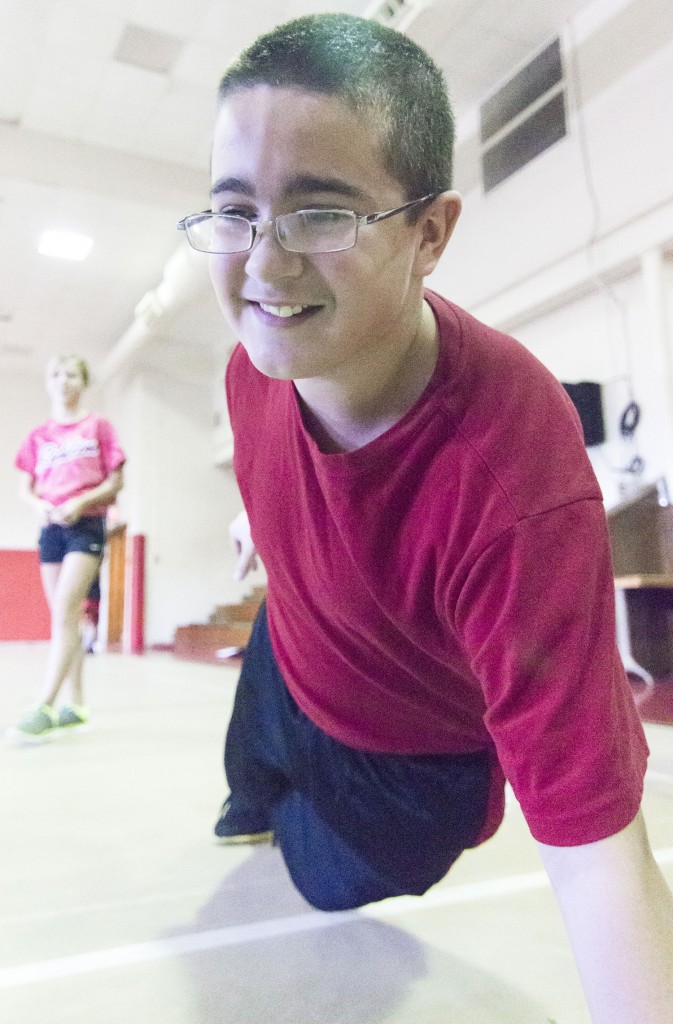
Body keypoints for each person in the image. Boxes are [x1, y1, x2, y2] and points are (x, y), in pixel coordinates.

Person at [177, 14, 673, 1021]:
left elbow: (594, 851)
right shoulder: (254, 359)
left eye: (320, 214)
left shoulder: (511, 482)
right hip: (292, 648)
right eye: (236, 212)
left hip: (402, 761)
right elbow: (284, 468)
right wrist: (256, 529)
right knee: (249, 774)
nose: (263, 269)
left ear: (430, 232)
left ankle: (308, 818)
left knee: (319, 881)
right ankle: (259, 791)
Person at [8, 354, 125, 742]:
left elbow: (115, 481)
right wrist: (40, 504)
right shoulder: (38, 436)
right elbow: (25, 487)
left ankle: (43, 703)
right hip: (51, 529)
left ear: (83, 381)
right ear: (48, 383)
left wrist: (80, 502)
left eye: (71, 373)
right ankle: (75, 705)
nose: (63, 380)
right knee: (65, 619)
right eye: (55, 374)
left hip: (86, 524)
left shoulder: (98, 427)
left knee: (65, 609)